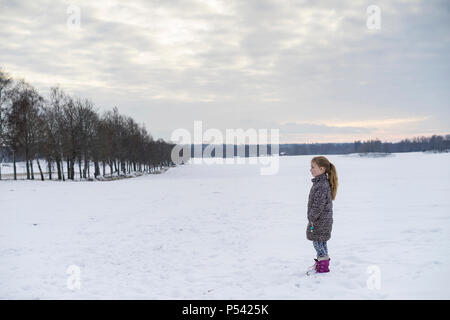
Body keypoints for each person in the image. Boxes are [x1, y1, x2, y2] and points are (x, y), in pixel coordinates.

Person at [306, 156, 338, 274]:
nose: (311, 169)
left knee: (318, 243)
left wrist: (312, 217)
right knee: (321, 242)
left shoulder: (322, 185)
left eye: (313, 167)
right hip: (322, 220)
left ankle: (323, 266)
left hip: (320, 221)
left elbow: (318, 205)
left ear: (322, 169)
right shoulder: (321, 183)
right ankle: (322, 263)